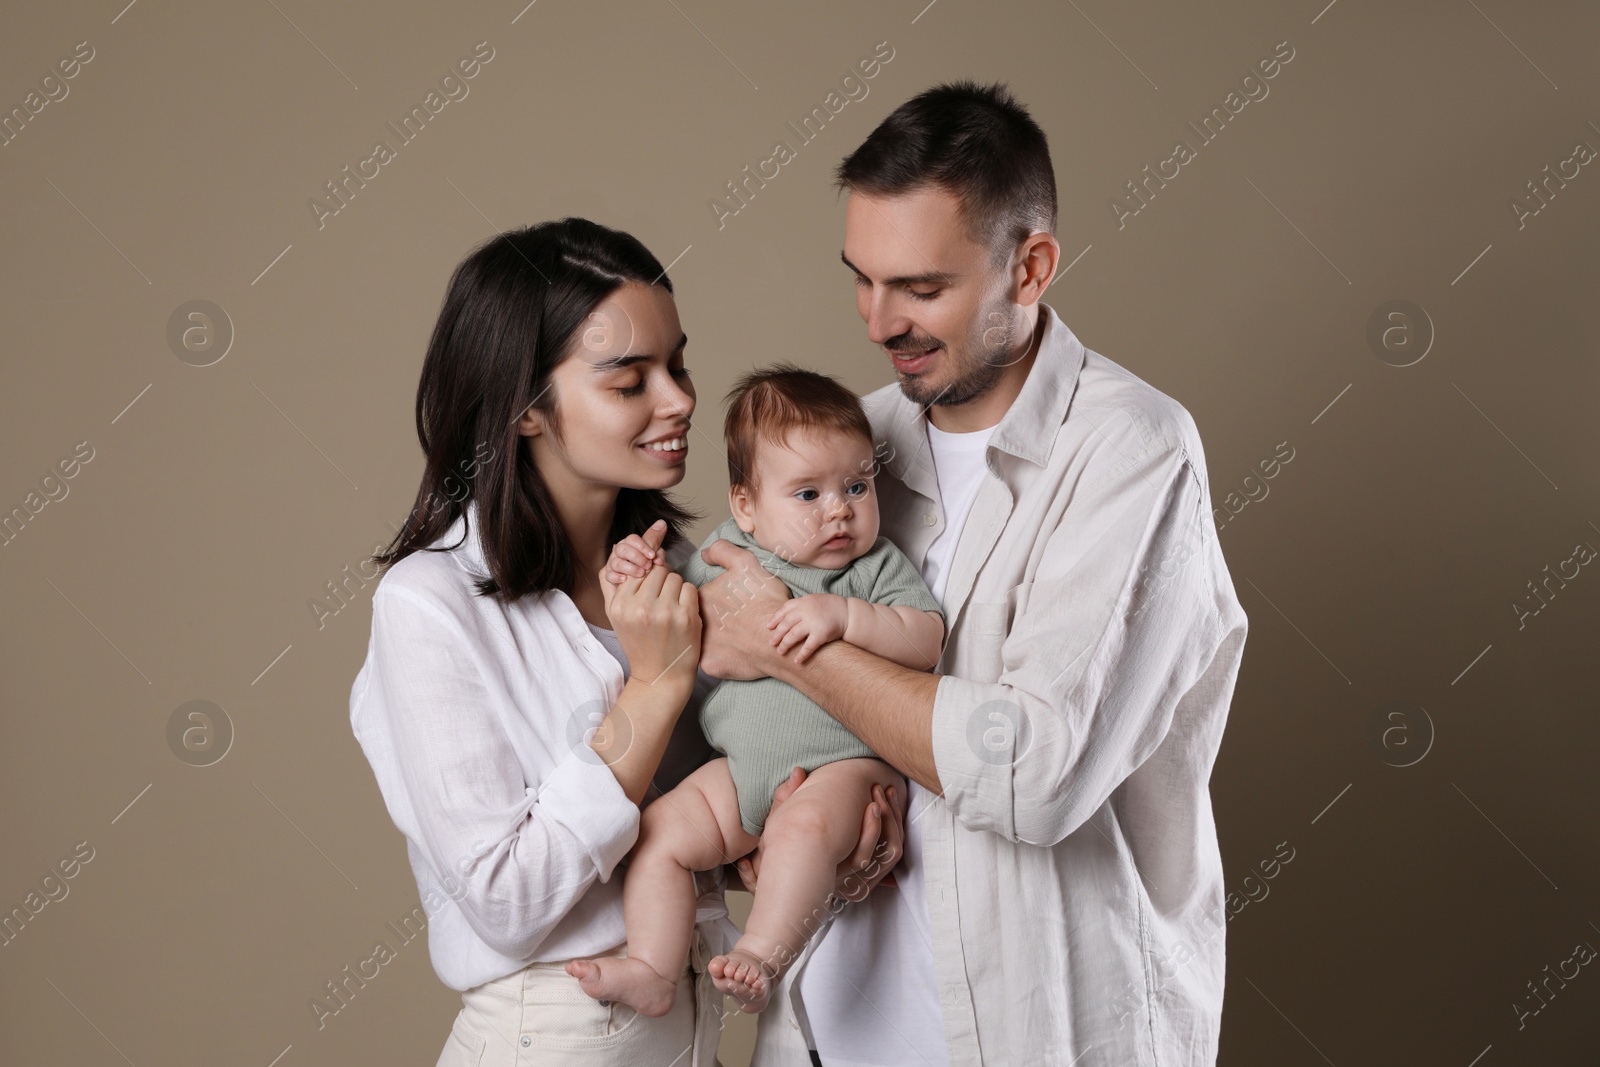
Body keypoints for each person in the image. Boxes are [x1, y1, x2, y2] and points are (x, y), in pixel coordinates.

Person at [690, 83, 1250, 1066]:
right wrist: (763, 831)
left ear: (1028, 267)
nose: (875, 320)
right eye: (859, 279)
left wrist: (790, 646)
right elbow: (727, 691)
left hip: (1038, 1036)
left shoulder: (1130, 451)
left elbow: (1030, 771)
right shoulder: (845, 446)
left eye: (918, 287)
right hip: (821, 1034)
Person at [346, 218, 901, 1067]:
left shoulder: (690, 574)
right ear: (526, 410)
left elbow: (723, 810)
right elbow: (508, 897)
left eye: (676, 363)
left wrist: (834, 828)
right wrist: (653, 685)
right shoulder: (427, 605)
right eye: (628, 379)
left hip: (692, 1032)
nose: (679, 399)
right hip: (556, 1037)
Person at [571, 366, 943, 1017]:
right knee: (657, 834)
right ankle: (654, 965)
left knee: (801, 829)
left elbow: (926, 638)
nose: (840, 509)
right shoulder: (721, 549)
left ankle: (763, 953)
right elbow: (673, 618)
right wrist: (636, 571)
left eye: (858, 485)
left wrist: (845, 619)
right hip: (742, 772)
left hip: (844, 766)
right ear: (746, 505)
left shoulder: (872, 565)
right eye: (808, 493)